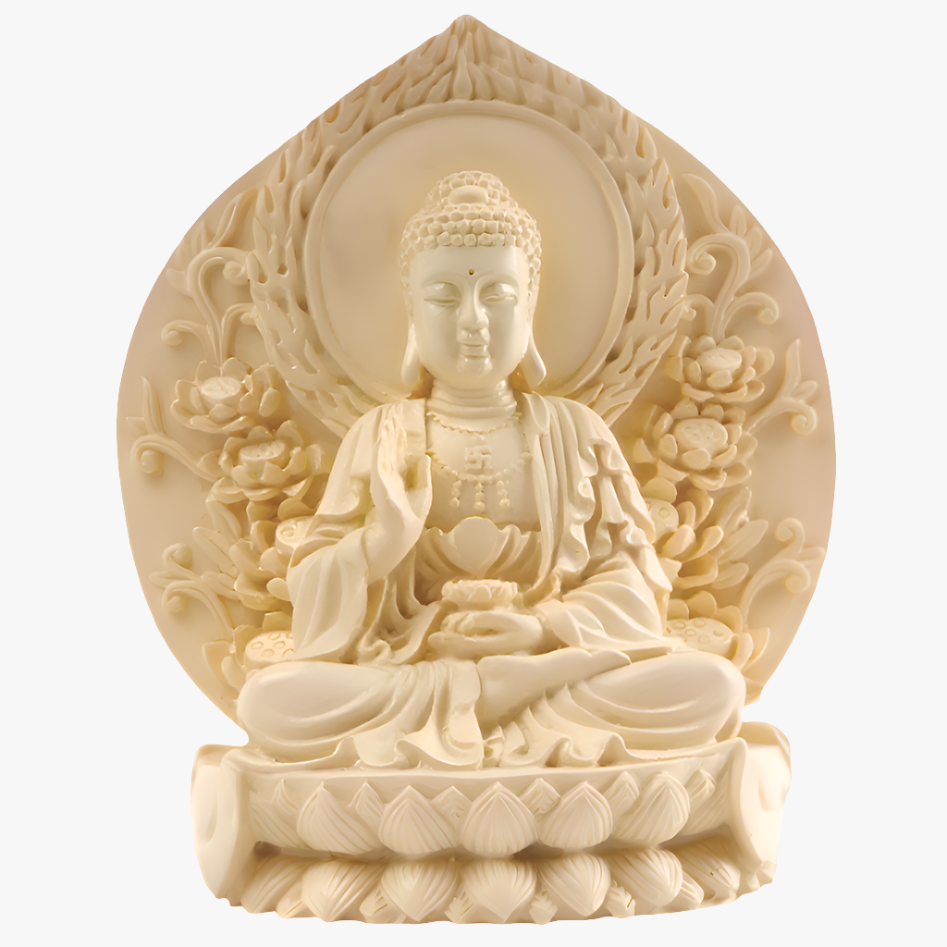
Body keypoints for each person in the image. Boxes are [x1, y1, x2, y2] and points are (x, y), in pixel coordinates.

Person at [237, 171, 744, 769]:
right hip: (413, 679)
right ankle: (486, 702)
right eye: (444, 297)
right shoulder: (380, 434)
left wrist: (542, 629)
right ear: (412, 309)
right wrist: (381, 544)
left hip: (553, 676)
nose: (473, 320)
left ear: (530, 303)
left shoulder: (575, 431)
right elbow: (312, 592)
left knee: (713, 686)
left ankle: (492, 702)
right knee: (271, 701)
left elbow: (634, 586)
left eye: (498, 295)